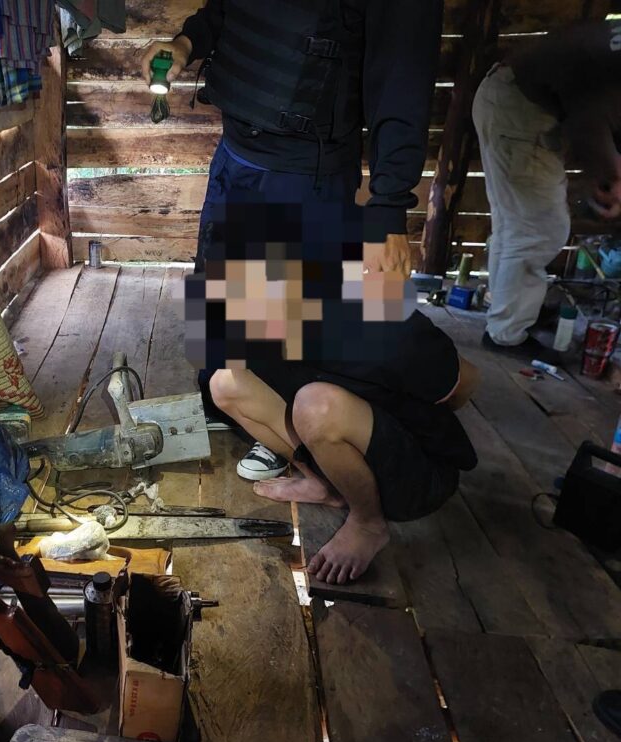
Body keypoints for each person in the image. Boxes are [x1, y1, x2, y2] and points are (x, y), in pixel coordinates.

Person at [140, 0, 444, 479]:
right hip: (237, 149)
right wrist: (186, 42)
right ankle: (226, 402)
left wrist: (388, 210)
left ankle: (284, 433)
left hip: (306, 170)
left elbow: (402, 78)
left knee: (280, 321)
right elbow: (229, 9)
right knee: (218, 288)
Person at [207, 311, 480, 584]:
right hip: (338, 444)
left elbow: (466, 380)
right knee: (225, 383)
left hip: (416, 475)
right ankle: (325, 485)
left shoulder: (380, 314)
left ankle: (368, 524)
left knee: (315, 406)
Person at [475, 19, 621, 356]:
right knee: (539, 228)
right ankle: (507, 332)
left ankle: (508, 311)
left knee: (515, 225)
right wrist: (612, 175)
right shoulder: (613, 68)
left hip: (510, 96)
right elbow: (588, 121)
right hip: (520, 109)